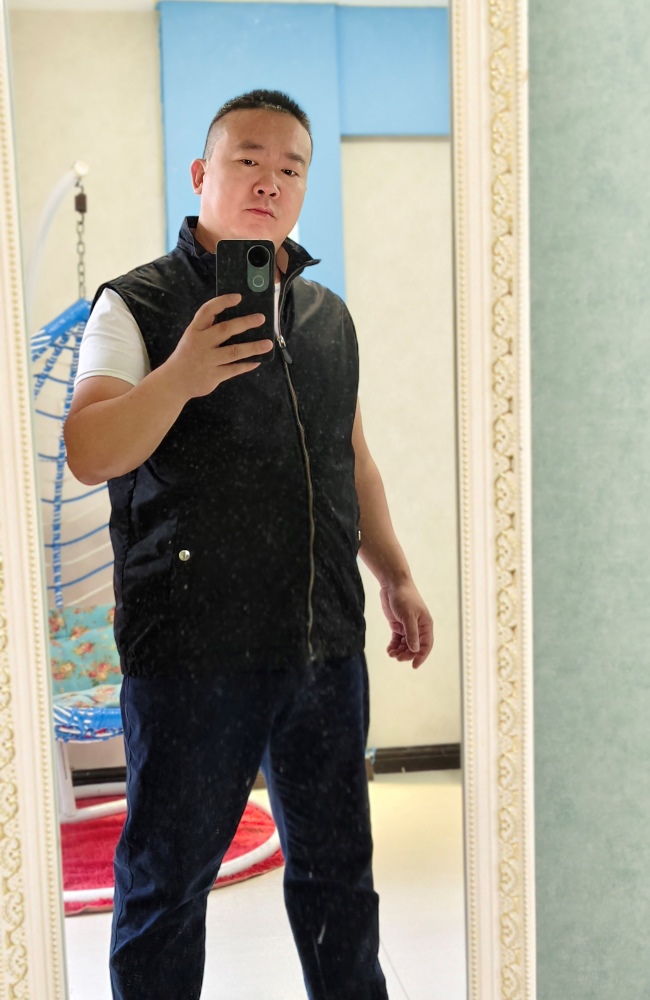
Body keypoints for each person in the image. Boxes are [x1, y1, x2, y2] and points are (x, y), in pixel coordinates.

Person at [64, 89, 434, 1000]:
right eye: (248, 159)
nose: (270, 180)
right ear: (202, 173)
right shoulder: (134, 305)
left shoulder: (327, 317)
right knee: (166, 888)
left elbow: (353, 460)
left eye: (290, 167)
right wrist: (182, 376)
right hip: (192, 657)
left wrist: (395, 575)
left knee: (340, 881)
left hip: (323, 647)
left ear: (304, 186)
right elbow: (89, 449)